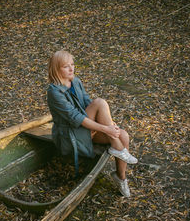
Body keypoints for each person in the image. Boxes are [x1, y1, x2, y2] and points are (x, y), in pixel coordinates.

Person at [46, 50, 137, 197]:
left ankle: (121, 178)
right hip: (71, 133)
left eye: (72, 64)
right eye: (66, 66)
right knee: (100, 103)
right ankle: (119, 148)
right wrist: (106, 129)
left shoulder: (75, 81)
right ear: (56, 69)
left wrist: (111, 125)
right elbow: (76, 118)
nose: (71, 69)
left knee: (124, 135)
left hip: (85, 128)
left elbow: (88, 103)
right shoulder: (54, 92)